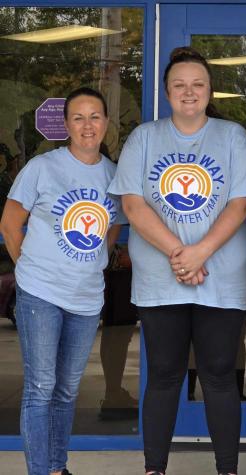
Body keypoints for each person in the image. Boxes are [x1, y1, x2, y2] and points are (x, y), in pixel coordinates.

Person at [107, 46, 246, 475]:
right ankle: (155, 468)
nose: (188, 92)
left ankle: (227, 469)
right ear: (167, 91)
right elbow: (134, 205)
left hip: (221, 276)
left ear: (209, 90)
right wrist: (181, 254)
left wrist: (200, 252)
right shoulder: (145, 137)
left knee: (218, 376)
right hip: (161, 278)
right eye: (179, 85)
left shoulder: (232, 137)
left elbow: (240, 202)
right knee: (163, 376)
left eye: (197, 84)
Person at [0, 87, 123, 475]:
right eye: (78, 118)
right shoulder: (42, 167)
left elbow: (113, 227)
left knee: (67, 389)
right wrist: (28, 270)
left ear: (106, 123)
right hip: (41, 293)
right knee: (41, 387)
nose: (88, 125)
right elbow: (9, 223)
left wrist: (94, 261)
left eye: (95, 117)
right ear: (67, 124)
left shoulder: (113, 175)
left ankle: (57, 467)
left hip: (86, 298)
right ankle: (41, 471)